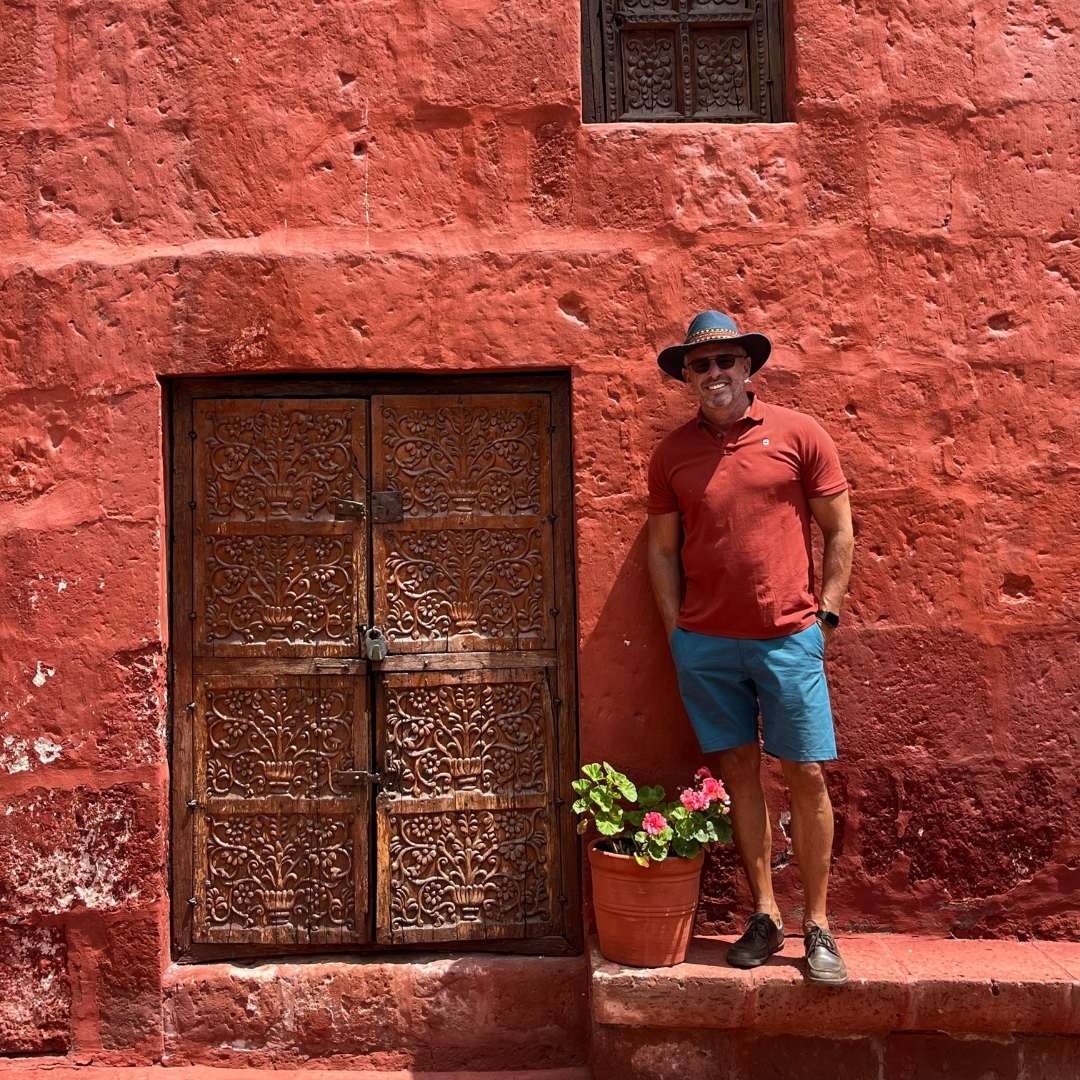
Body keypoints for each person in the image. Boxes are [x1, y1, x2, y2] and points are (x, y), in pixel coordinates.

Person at [646, 310, 854, 985]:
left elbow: (839, 529)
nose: (715, 374)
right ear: (687, 376)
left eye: (726, 362)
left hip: (789, 640)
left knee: (806, 774)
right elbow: (663, 550)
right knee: (740, 780)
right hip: (708, 647)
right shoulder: (672, 453)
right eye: (701, 365)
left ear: (747, 367)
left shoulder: (800, 434)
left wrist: (824, 617)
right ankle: (764, 914)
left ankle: (817, 924)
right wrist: (679, 630)